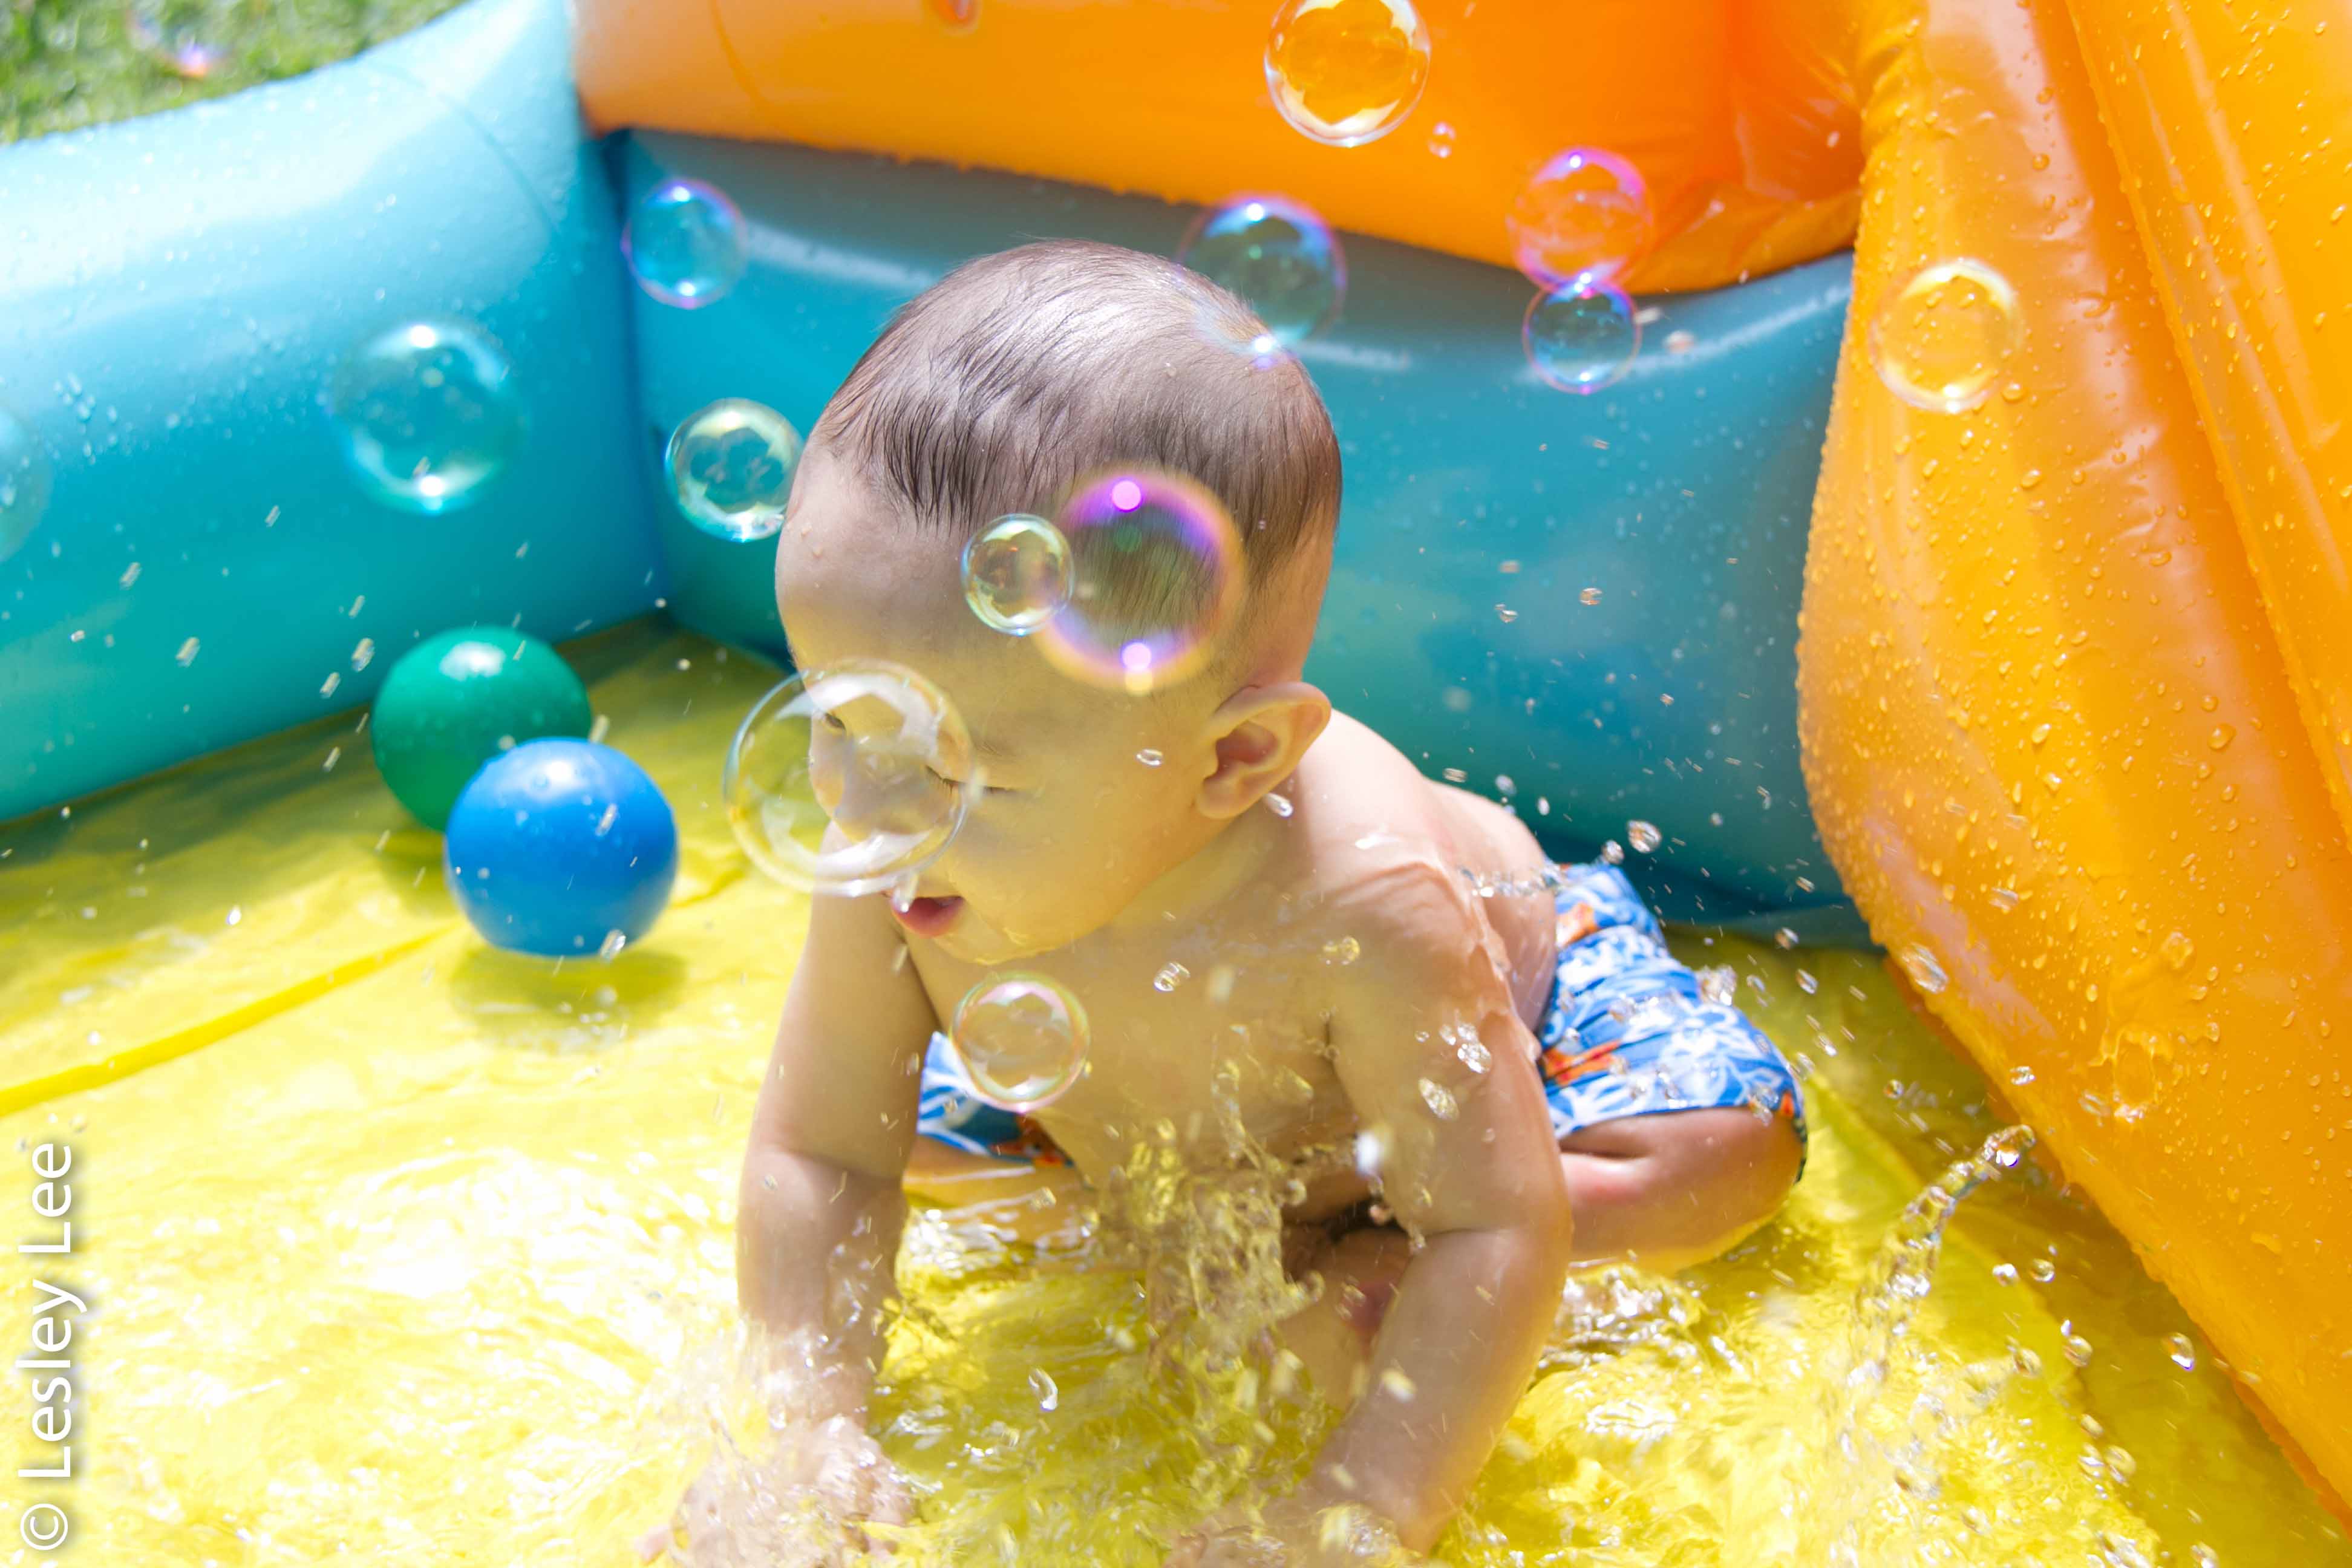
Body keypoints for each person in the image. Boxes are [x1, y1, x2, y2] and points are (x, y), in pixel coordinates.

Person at [644, 239, 1805, 1565]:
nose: (865, 798)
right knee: (898, 1157)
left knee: (1726, 1152)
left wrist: (1354, 1516)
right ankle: (1200, 1229)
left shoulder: (1367, 901)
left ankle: (1380, 1256)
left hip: (1522, 1040)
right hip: (1113, 1095)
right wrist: (803, 1423)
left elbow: (1496, 1220)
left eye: (955, 769)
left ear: (1234, 758)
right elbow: (822, 1152)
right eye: (843, 713)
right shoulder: (904, 839)